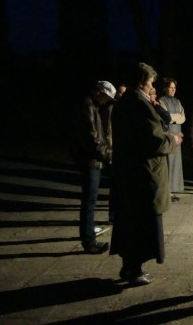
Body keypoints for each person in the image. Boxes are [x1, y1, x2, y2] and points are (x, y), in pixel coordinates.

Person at [110, 63, 183, 286]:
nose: (153, 87)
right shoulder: (139, 105)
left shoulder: (124, 102)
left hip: (128, 171)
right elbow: (154, 141)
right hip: (144, 174)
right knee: (142, 223)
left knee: (130, 220)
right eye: (150, 82)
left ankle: (129, 266)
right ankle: (135, 269)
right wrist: (173, 140)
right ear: (142, 82)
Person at [70, 80, 116, 254]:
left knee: (90, 200)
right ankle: (89, 241)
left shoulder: (91, 106)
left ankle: (89, 237)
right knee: (89, 201)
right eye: (106, 97)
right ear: (99, 92)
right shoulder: (88, 106)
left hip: (92, 159)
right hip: (90, 160)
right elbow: (93, 140)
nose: (106, 101)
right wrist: (109, 156)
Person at [159, 78, 186, 202]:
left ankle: (174, 189)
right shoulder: (161, 100)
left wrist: (173, 118)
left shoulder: (177, 101)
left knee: (176, 163)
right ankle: (167, 191)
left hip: (177, 133)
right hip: (169, 133)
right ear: (165, 88)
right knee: (168, 162)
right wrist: (174, 118)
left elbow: (183, 117)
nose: (173, 90)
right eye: (171, 87)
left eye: (174, 88)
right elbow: (166, 117)